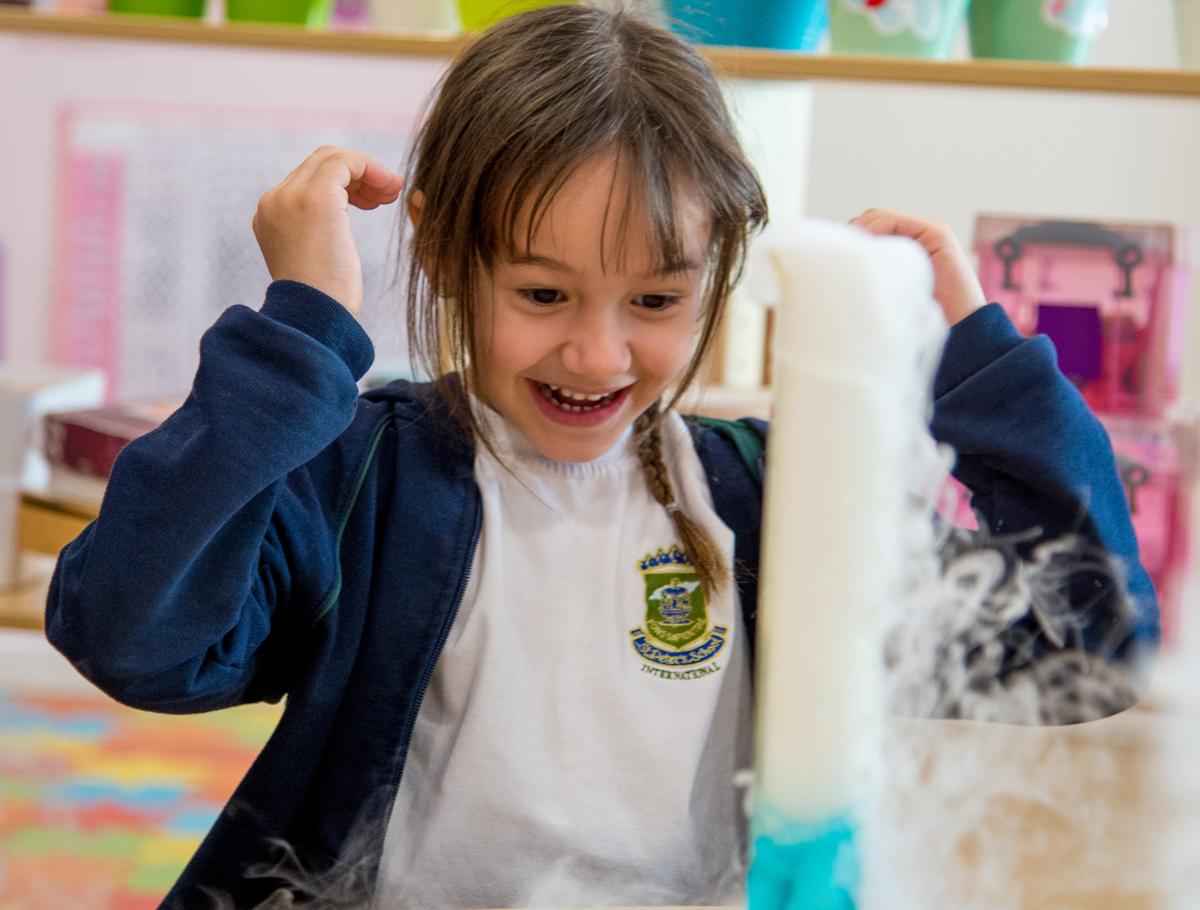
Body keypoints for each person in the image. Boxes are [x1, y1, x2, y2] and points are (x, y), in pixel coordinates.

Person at [45, 4, 1157, 908]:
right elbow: (133, 636)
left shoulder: (775, 495)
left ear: (719, 267)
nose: (597, 350)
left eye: (659, 298)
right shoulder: (363, 477)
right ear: (441, 250)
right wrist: (299, 339)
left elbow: (1091, 641)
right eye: (541, 293)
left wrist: (977, 359)